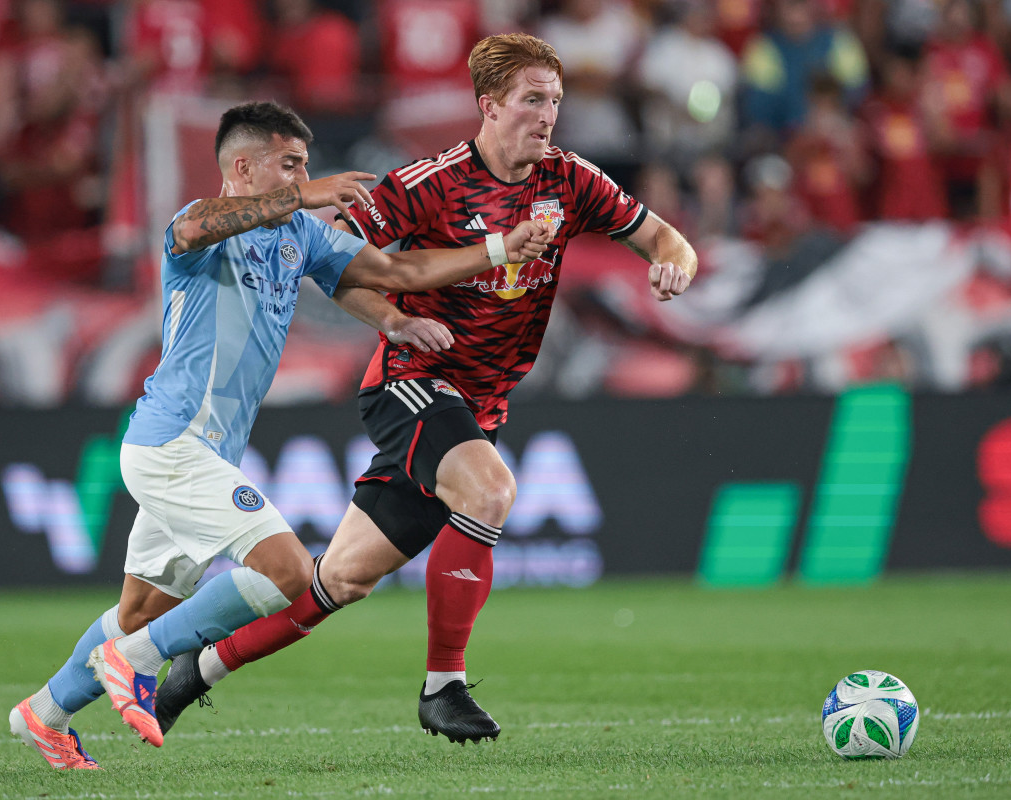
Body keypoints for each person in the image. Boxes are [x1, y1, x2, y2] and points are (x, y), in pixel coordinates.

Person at [153, 33, 697, 746]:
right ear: (489, 106)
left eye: (556, 101)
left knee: (340, 581)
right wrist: (393, 320)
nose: (548, 115)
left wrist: (673, 264)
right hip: (411, 384)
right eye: (533, 100)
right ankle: (445, 687)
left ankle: (198, 668)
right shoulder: (429, 182)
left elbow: (667, 239)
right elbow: (334, 261)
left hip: (481, 403)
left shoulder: (570, 180)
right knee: (490, 491)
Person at [8, 100, 554, 770]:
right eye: (288, 163)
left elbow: (397, 273)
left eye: (304, 163)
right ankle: (137, 662)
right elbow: (197, 227)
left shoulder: (299, 236)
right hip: (171, 442)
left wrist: (488, 256)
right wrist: (306, 192)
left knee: (141, 608)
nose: (302, 175)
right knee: (291, 573)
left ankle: (45, 713)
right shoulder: (199, 224)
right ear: (242, 167)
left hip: (208, 453)